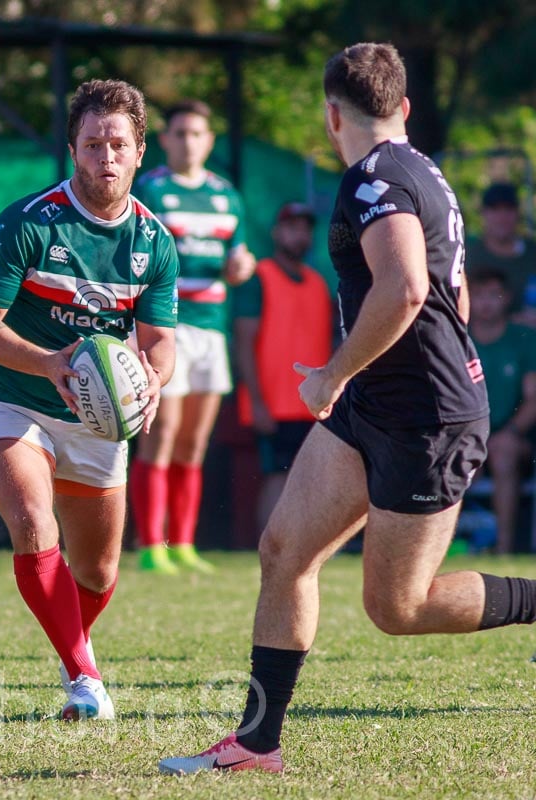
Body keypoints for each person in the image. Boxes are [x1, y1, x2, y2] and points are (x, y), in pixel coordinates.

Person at [160, 42, 536, 776]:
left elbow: (404, 290)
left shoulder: (373, 180)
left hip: (427, 420)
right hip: (378, 403)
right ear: (402, 107)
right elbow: (452, 297)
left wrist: (333, 372)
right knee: (283, 550)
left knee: (398, 608)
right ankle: (256, 745)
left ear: (332, 115)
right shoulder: (427, 172)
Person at [0, 79, 178, 721]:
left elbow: (161, 341)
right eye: (91, 144)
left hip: (96, 417)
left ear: (139, 151)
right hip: (9, 398)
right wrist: (51, 363)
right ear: (73, 150)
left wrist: (152, 380)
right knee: (32, 522)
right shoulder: (26, 222)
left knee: (99, 573)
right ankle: (86, 681)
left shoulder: (154, 242)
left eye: (117, 144)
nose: (104, 158)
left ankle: (71, 657)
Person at [128, 99, 256, 574]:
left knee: (195, 443)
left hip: (212, 328)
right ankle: (150, 545)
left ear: (210, 140)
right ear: (164, 141)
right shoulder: (151, 190)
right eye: (179, 133)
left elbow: (238, 256)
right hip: (168, 328)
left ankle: (182, 542)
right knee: (161, 434)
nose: (188, 142)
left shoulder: (226, 195)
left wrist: (240, 267)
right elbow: (137, 258)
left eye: (196, 133)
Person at [233, 202, 333, 531]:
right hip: (274, 404)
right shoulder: (259, 278)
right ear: (277, 233)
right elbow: (244, 341)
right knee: (278, 477)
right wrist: (257, 402)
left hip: (314, 404)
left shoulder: (318, 283)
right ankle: (269, 546)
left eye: (305, 229)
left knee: (311, 482)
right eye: (292, 227)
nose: (300, 235)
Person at [466, 269, 536, 553]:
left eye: (493, 295)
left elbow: (533, 397)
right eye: (479, 295)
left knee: (503, 454)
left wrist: (511, 432)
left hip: (511, 434)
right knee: (448, 458)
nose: (486, 303)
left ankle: (504, 549)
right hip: (466, 432)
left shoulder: (524, 337)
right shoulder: (457, 338)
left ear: (506, 298)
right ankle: (440, 549)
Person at [465, 182, 536, 324]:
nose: (502, 217)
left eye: (508, 209)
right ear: (483, 213)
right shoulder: (467, 255)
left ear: (518, 213)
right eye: (495, 209)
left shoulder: (532, 253)